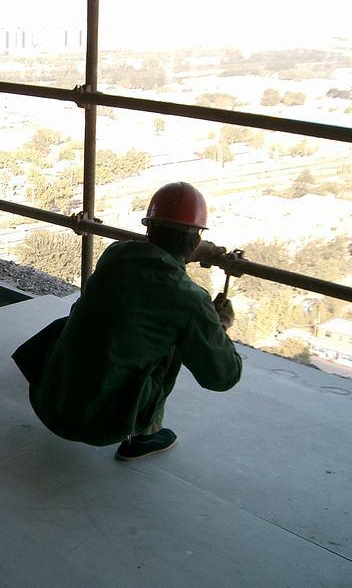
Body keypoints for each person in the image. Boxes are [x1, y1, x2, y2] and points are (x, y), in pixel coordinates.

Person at [15, 181, 242, 461]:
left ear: (149, 227)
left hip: (48, 401)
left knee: (84, 316)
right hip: (102, 427)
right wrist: (219, 326)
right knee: (172, 345)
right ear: (195, 240)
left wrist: (197, 251)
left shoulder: (115, 255)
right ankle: (142, 436)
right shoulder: (190, 301)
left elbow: (155, 251)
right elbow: (223, 377)